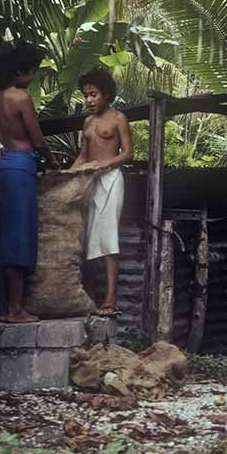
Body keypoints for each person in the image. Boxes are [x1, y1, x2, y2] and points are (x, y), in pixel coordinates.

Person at [0, 41, 58, 323]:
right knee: (19, 236)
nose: (33, 77)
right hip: (20, 166)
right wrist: (51, 161)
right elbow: (37, 139)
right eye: (32, 72)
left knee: (3, 234)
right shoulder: (20, 98)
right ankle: (16, 309)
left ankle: (4, 307)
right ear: (19, 71)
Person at [69, 69, 132, 317]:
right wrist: (67, 175)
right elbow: (83, 156)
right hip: (90, 181)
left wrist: (105, 165)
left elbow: (128, 153)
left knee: (108, 236)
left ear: (106, 94)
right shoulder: (88, 122)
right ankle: (90, 296)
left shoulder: (118, 118)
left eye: (93, 94)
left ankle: (110, 298)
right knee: (88, 237)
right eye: (86, 95)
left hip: (111, 180)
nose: (89, 100)